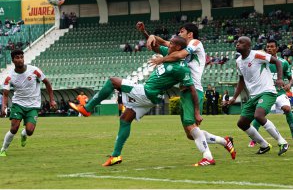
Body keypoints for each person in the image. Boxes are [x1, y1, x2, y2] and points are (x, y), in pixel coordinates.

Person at [69, 36, 206, 167]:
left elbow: (192, 89)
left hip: (147, 92)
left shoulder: (181, 68)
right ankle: (116, 156)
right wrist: (146, 33)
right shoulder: (167, 54)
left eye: (171, 43)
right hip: (150, 98)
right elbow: (155, 46)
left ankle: (87, 109)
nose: (168, 44)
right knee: (125, 119)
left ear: (177, 47)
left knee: (112, 81)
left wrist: (197, 112)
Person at [137, 22, 236, 166]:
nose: (179, 34)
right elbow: (162, 44)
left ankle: (208, 157)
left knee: (191, 126)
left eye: (181, 31)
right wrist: (147, 33)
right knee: (191, 134)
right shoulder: (179, 45)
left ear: (190, 34)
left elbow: (179, 54)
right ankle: (224, 141)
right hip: (185, 92)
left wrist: (161, 60)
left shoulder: (195, 43)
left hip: (193, 90)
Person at [228, 36, 289, 156]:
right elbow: (241, 81)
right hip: (253, 96)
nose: (237, 44)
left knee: (258, 115)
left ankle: (282, 142)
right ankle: (264, 145)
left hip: (267, 92)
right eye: (237, 42)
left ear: (248, 46)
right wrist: (234, 97)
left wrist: (280, 79)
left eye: (241, 42)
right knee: (242, 123)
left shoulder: (257, 55)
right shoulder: (239, 61)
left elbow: (276, 62)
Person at [0, 49, 56, 157]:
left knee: (30, 131)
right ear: (13, 60)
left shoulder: (34, 70)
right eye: (17, 57)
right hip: (18, 104)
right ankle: (3, 149)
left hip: (33, 105)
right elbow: (6, 94)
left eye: (21, 57)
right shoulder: (9, 77)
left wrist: (52, 100)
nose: (20, 59)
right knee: (14, 128)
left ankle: (24, 134)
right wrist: (4, 106)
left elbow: (47, 83)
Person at [248, 39, 293, 147]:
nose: (269, 48)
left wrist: (289, 84)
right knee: (260, 114)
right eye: (267, 46)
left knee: (287, 109)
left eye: (272, 46)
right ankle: (254, 139)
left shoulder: (284, 63)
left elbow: (290, 78)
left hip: (279, 93)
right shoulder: (262, 62)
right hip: (266, 93)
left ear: (276, 49)